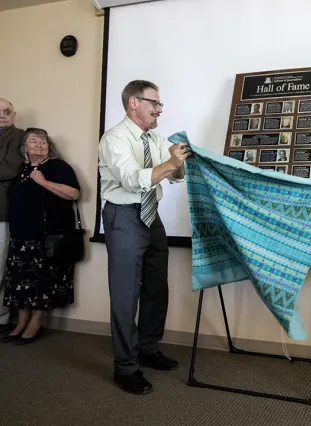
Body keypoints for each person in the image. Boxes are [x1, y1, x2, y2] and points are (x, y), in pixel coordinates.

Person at [98, 80, 191, 395]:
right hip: (124, 216)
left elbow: (177, 176)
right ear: (133, 103)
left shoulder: (156, 137)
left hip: (152, 217)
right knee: (126, 295)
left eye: (160, 104)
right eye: (155, 103)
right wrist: (170, 163)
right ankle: (125, 367)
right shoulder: (115, 138)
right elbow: (130, 178)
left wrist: (178, 165)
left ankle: (148, 348)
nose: (159, 110)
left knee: (155, 286)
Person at [2, 128, 80, 344]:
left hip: (47, 236)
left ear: (49, 147)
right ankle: (21, 322)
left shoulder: (58, 166)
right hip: (21, 236)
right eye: (33, 141)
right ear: (24, 148)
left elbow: (74, 193)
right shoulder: (20, 171)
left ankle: (36, 323)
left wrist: (43, 182)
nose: (39, 145)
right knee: (21, 282)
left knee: (42, 282)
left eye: (43, 142)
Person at [0, 98, 25, 334]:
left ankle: (1, 318)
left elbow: (11, 168)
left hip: (2, 212)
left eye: (6, 111)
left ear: (13, 114)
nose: (2, 115)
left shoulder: (18, 136)